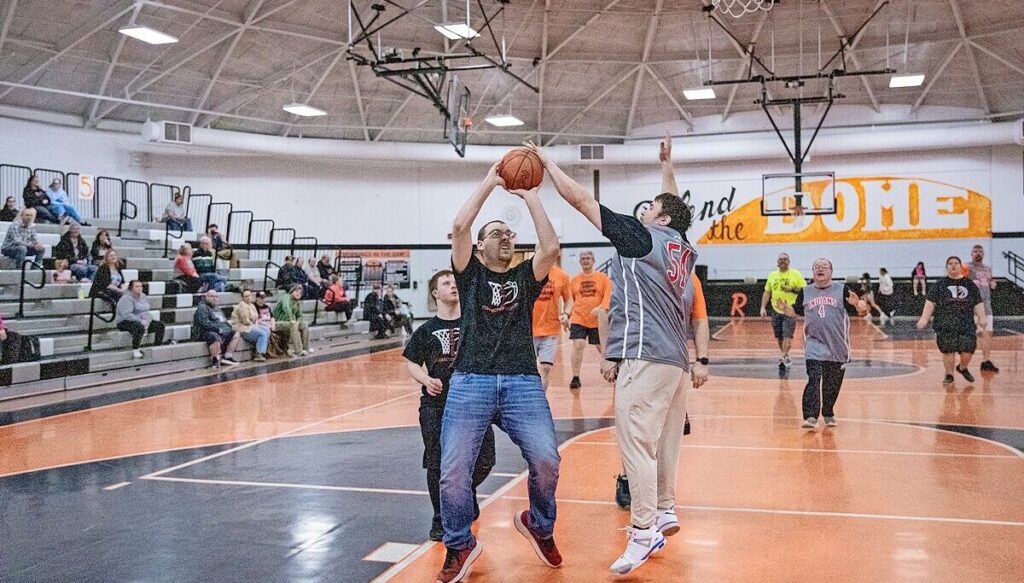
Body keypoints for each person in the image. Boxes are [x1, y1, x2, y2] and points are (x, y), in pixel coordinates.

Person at [523, 134, 709, 576]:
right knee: (664, 445)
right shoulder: (681, 244)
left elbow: (585, 202)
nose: (643, 208)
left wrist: (549, 166)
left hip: (646, 358)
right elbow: (675, 207)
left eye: (650, 206)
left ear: (656, 216)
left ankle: (643, 531)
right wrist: (668, 164)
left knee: (636, 446)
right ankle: (664, 510)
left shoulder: (642, 236)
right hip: (675, 361)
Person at [433, 161, 561, 583]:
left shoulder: (527, 277)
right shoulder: (469, 276)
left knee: (546, 459)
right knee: (453, 471)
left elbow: (551, 247)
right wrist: (491, 181)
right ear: (481, 245)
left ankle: (538, 524)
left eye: (509, 234)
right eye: (497, 234)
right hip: (470, 381)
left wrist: (531, 196)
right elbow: (459, 224)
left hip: (522, 381)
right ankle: (459, 543)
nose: (506, 238)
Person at [404, 269, 496, 542]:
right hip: (436, 405)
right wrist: (426, 379)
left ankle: (464, 492)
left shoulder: (475, 323)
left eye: (455, 282)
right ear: (435, 293)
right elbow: (411, 362)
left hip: (472, 403)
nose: (453, 286)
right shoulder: (426, 330)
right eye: (446, 283)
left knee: (485, 459)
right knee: (438, 463)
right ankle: (440, 517)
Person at [614, 270, 709, 511]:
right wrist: (612, 355)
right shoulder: (638, 270)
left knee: (655, 435)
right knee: (639, 431)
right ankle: (645, 493)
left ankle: (655, 511)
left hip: (666, 364)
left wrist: (703, 360)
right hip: (643, 359)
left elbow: (699, 320)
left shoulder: (687, 277)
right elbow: (613, 312)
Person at [774, 259, 859, 429]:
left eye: (824, 267)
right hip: (814, 344)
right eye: (816, 267)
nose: (820, 269)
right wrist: (786, 309)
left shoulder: (842, 290)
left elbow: (861, 310)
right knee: (814, 377)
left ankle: (828, 411)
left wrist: (858, 304)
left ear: (831, 272)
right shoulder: (805, 292)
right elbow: (796, 312)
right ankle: (811, 416)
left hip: (837, 346)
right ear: (813, 272)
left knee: (832, 383)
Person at [916, 256, 986, 385]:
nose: (953, 266)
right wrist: (924, 318)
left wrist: (982, 318)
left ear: (960, 266)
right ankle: (949, 375)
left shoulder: (970, 285)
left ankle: (962, 367)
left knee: (968, 350)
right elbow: (930, 302)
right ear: (946, 267)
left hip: (966, 323)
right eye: (950, 264)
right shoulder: (940, 285)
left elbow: (978, 303)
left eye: (956, 263)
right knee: (948, 350)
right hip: (945, 323)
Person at [567, 250, 612, 389]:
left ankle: (612, 370)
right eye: (583, 258)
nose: (586, 260)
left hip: (597, 320)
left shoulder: (603, 278)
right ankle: (575, 376)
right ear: (580, 261)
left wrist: (602, 308)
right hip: (579, 318)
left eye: (588, 258)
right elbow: (570, 300)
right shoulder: (574, 280)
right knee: (578, 344)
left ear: (593, 260)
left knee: (602, 348)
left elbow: (608, 295)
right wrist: (566, 314)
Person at [759, 253, 806, 373]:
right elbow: (767, 292)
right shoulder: (772, 275)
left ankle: (783, 356)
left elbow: (804, 290)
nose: (782, 261)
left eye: (785, 259)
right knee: (779, 336)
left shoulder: (796, 274)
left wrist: (792, 289)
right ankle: (784, 355)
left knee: (787, 335)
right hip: (776, 309)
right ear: (777, 262)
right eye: (780, 259)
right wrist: (763, 307)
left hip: (790, 310)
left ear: (789, 261)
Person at [531, 254, 572, 390]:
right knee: (526, 369)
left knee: (546, 367)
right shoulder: (529, 271)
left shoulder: (562, 276)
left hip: (551, 329)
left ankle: (541, 396)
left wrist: (566, 314)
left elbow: (569, 300)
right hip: (528, 329)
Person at [966, 245, 999, 373]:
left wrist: (993, 283)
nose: (978, 253)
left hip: (987, 305)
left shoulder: (987, 268)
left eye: (980, 251)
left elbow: (991, 281)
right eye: (975, 251)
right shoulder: (966, 267)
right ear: (971, 253)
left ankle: (986, 360)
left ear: (983, 253)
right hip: (974, 306)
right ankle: (961, 363)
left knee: (988, 333)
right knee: (979, 333)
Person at [115, 280, 165, 359]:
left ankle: (157, 346)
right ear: (131, 288)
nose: (140, 288)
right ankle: (136, 349)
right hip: (125, 321)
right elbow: (127, 315)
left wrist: (148, 320)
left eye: (141, 286)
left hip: (142, 320)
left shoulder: (143, 296)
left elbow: (147, 310)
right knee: (139, 327)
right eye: (137, 286)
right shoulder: (126, 298)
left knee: (160, 325)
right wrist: (141, 321)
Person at [192, 289, 240, 368]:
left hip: (218, 330)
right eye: (212, 296)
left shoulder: (217, 308)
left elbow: (224, 321)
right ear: (206, 297)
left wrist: (227, 328)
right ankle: (215, 360)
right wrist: (218, 329)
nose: (214, 298)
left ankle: (227, 357)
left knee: (235, 333)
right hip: (203, 332)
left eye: (216, 296)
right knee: (214, 336)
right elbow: (205, 323)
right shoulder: (202, 308)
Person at [273, 284, 312, 357]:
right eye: (296, 291)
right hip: (277, 322)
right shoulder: (286, 297)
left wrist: (298, 321)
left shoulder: (297, 302)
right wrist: (291, 319)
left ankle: (306, 348)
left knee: (304, 324)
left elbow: (300, 316)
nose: (298, 294)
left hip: (289, 323)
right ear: (292, 291)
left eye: (300, 293)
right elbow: (286, 308)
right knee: (293, 325)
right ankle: (298, 350)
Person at [231, 289, 270, 362]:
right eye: (246, 296)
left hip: (251, 325)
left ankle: (261, 350)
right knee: (262, 333)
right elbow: (245, 321)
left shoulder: (252, 305)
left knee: (267, 330)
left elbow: (256, 317)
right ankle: (259, 354)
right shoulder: (242, 305)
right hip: (242, 328)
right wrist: (254, 323)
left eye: (249, 295)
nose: (248, 297)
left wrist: (255, 322)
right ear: (242, 298)